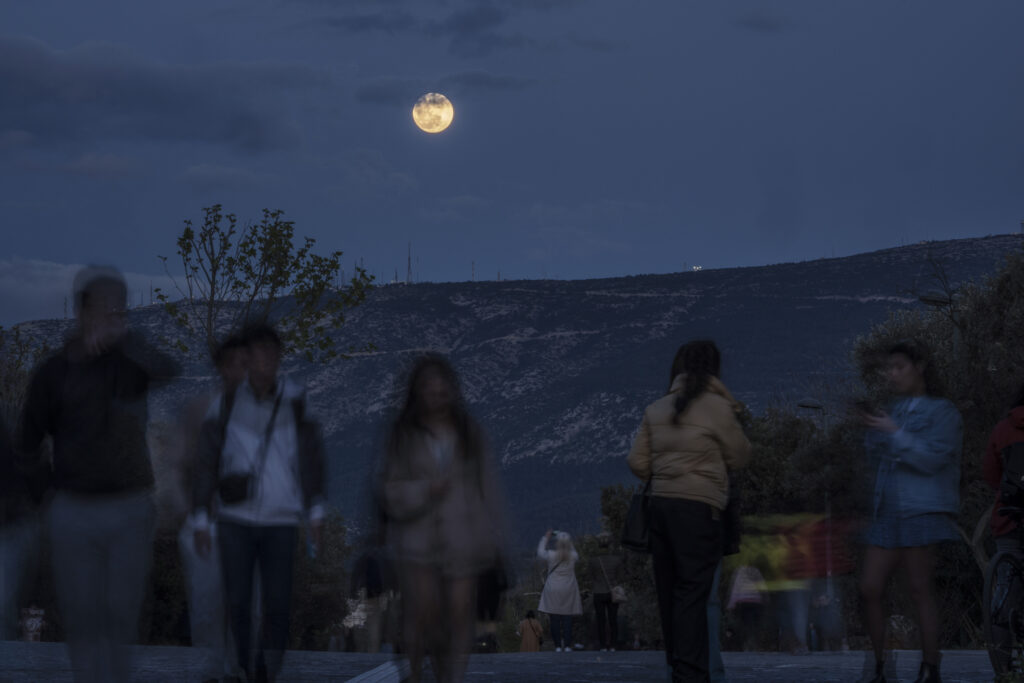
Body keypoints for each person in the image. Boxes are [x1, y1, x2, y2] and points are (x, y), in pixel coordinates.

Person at [18, 266, 179, 682]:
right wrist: (48, 495)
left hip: (130, 506)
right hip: (74, 510)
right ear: (82, 310)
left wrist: (126, 343)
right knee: (83, 617)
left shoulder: (128, 364)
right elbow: (27, 441)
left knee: (121, 616)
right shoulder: (55, 372)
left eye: (119, 306)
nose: (112, 313)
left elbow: (168, 369)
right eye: (103, 306)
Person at [193, 323, 327, 683]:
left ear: (279, 357)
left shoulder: (296, 400)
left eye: (271, 353)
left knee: (278, 604)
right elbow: (205, 461)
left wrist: (315, 510)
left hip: (281, 518)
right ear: (247, 358)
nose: (264, 360)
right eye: (256, 353)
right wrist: (200, 518)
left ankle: (267, 670)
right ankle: (248, 667)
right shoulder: (226, 403)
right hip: (235, 516)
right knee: (238, 602)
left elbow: (312, 458)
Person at [627, 339, 751, 683]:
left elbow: (637, 462)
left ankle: (678, 667)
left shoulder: (657, 408)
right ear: (714, 369)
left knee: (668, 593)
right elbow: (740, 455)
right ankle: (693, 674)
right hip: (699, 511)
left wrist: (667, 469)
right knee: (693, 595)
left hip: (661, 510)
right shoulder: (716, 407)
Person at [378, 354, 506, 683]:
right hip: (417, 541)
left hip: (463, 540)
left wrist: (494, 538)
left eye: (442, 388)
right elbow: (390, 490)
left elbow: (488, 487)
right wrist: (425, 490)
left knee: (460, 615)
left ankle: (451, 678)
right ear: (418, 392)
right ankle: (417, 671)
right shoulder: (403, 435)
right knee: (423, 616)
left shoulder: (469, 433)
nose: (436, 395)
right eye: (429, 389)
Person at [858, 339, 962, 683]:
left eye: (899, 366)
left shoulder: (943, 412)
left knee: (919, 589)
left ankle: (930, 666)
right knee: (870, 587)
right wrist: (873, 433)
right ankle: (879, 665)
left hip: (920, 509)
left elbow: (932, 459)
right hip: (887, 510)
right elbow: (878, 459)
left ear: (920, 366)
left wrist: (893, 433)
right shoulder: (895, 411)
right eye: (889, 368)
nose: (892, 374)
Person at [169, 334, 247, 682]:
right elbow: (177, 464)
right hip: (208, 523)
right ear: (221, 367)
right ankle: (212, 673)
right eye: (234, 363)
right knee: (207, 608)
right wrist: (188, 510)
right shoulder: (199, 409)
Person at [981, 383, 1024, 674]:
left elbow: (990, 474)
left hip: (1009, 516)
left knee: (1005, 587)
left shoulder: (1003, 428)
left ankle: (1003, 669)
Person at [537, 530, 583, 652]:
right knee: (567, 618)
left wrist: (545, 538)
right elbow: (575, 552)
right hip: (568, 589)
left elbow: (540, 552)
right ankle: (567, 645)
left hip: (553, 589)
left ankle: (557, 646)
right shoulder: (573, 556)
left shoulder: (552, 555)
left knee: (554, 618)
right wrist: (568, 540)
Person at [589, 532, 622, 651]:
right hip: (612, 592)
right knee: (613, 619)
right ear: (610, 545)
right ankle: (613, 644)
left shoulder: (593, 561)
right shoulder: (616, 560)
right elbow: (619, 576)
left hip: (598, 592)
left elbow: (592, 577)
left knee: (600, 620)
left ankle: (603, 645)